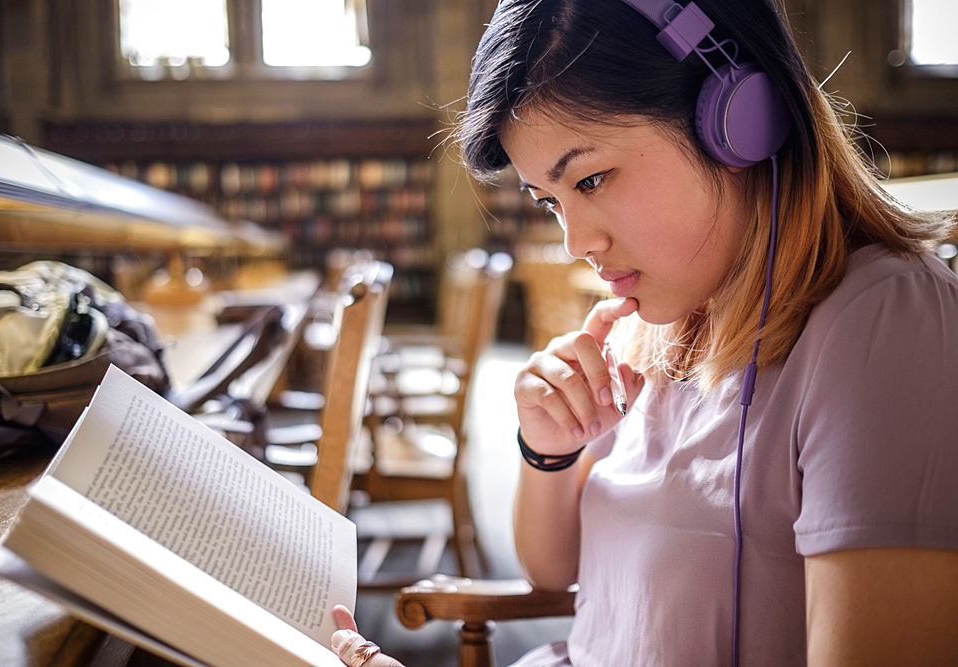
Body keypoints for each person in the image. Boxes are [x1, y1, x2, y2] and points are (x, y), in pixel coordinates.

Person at [331, 0, 958, 664]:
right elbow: (555, 570)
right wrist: (549, 452)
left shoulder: (885, 321)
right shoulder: (660, 319)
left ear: (740, 121)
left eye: (591, 179)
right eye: (551, 200)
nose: (575, 241)